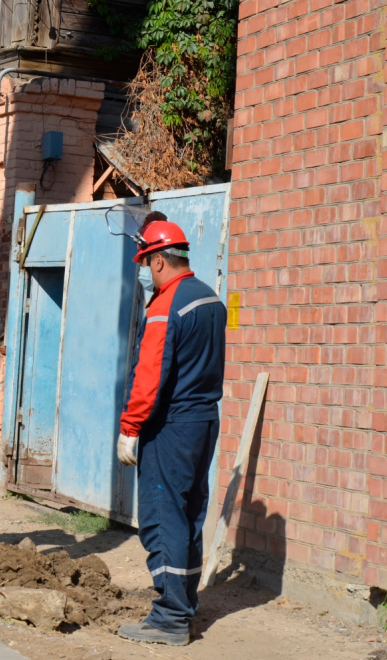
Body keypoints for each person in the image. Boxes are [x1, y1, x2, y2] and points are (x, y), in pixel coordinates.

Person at [116, 220, 226, 647]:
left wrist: (130, 428)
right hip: (203, 420)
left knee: (163, 517)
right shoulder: (210, 297)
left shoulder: (167, 303)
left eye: (145, 263)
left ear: (159, 260)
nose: (144, 272)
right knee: (189, 514)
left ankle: (170, 617)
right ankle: (185, 605)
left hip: (172, 424)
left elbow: (150, 376)